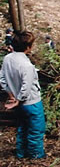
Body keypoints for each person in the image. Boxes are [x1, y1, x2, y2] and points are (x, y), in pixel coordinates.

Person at [0, 31, 46, 159]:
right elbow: (26, 87)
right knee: (36, 130)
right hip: (32, 103)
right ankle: (35, 156)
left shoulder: (8, 58)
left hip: (18, 102)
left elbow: (2, 80)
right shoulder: (27, 66)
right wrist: (19, 99)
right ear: (28, 47)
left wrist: (11, 95)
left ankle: (21, 153)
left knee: (22, 127)